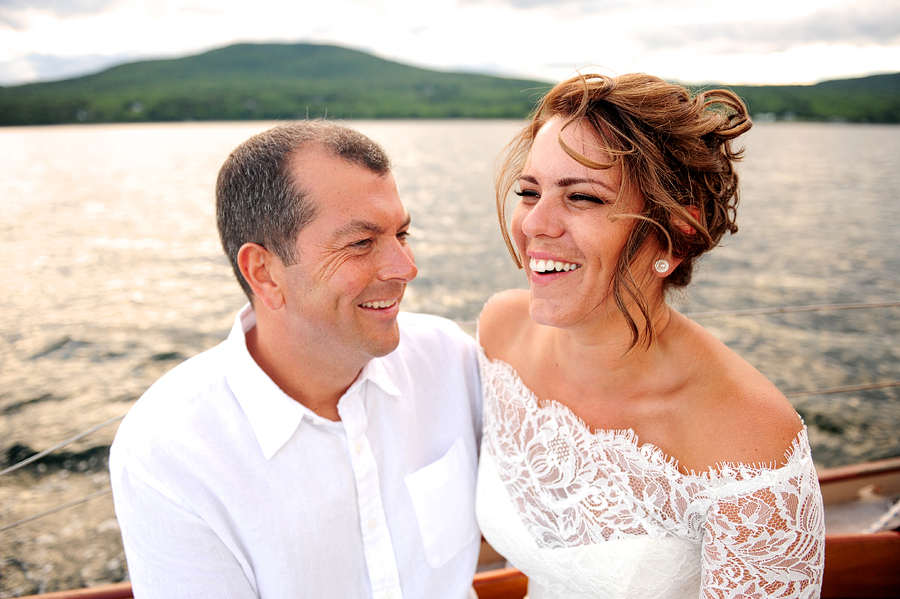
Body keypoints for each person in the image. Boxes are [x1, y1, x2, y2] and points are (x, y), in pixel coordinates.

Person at [476, 73, 825, 598]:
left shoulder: (748, 441)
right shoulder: (502, 331)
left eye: (584, 198)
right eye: (529, 191)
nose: (533, 224)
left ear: (677, 232)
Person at [109, 121, 482, 598]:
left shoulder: (448, 359)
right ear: (263, 272)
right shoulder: (169, 452)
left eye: (401, 233)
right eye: (361, 243)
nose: (405, 268)